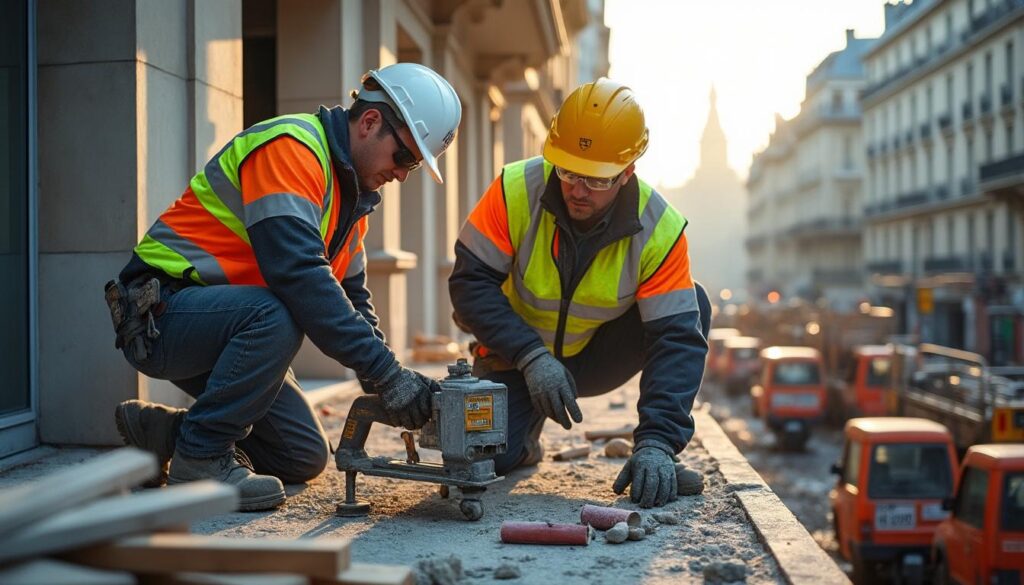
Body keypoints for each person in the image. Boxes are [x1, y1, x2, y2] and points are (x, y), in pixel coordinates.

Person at [105, 62, 462, 511]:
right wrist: (388, 374)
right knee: (280, 310)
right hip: (161, 314)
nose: (404, 174)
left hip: (226, 325)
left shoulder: (348, 198)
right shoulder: (291, 148)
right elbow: (298, 275)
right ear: (371, 122)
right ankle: (201, 456)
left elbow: (352, 300)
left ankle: (166, 434)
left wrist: (388, 381)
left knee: (300, 454)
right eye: (406, 157)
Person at [449, 78, 711, 509]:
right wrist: (530, 357)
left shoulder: (660, 228)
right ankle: (525, 433)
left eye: (595, 179)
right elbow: (468, 283)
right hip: (515, 356)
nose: (576, 189)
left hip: (596, 360)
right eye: (568, 171)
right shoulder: (515, 188)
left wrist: (657, 444)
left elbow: (676, 341)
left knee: (692, 305)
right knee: (485, 457)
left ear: (627, 172)